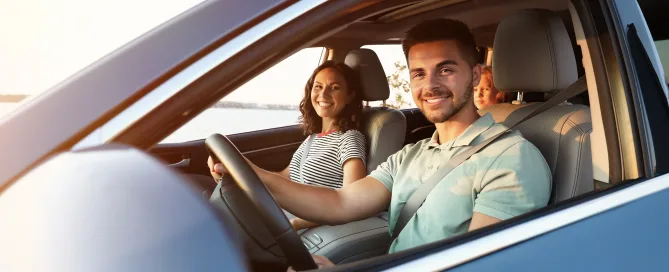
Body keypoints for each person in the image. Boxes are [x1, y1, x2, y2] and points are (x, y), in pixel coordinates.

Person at [210, 19, 551, 269]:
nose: (429, 85)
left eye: (445, 70)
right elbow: (340, 202)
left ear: (475, 75)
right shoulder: (412, 154)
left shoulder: (512, 159)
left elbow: (478, 265)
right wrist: (250, 173)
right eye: (418, 73)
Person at [209, 61, 368, 231]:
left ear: (350, 95)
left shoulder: (349, 138)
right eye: (318, 86)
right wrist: (237, 174)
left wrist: (296, 224)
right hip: (284, 215)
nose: (323, 94)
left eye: (334, 87)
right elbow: (285, 178)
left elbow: (353, 200)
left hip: (303, 225)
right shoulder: (312, 139)